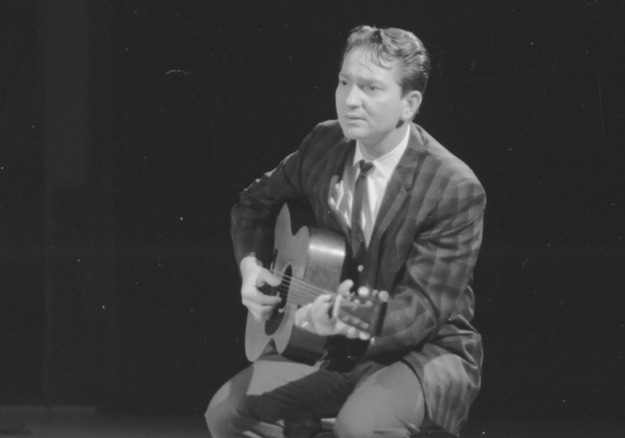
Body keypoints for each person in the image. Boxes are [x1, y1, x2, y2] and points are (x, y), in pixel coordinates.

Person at [205, 25, 486, 438]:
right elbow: (253, 204)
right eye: (344, 82)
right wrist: (250, 268)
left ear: (409, 104)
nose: (350, 100)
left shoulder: (452, 185)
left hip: (421, 353)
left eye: (371, 88)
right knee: (229, 412)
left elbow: (421, 309)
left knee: (360, 427)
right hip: (329, 350)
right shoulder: (324, 144)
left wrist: (343, 315)